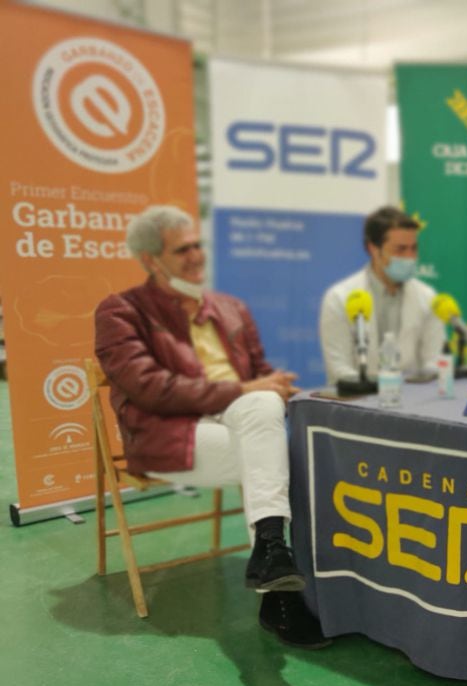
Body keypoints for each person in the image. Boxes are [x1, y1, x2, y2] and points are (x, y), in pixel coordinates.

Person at [94, 205, 329, 649]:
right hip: (171, 434)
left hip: (242, 422)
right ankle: (279, 593)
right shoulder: (120, 312)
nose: (197, 255)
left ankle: (270, 553)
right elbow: (150, 388)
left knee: (265, 420)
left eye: (198, 244)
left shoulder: (231, 308)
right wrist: (247, 389)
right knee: (269, 454)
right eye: (182, 249)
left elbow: (259, 375)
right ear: (149, 259)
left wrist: (276, 390)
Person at [320, 206, 445, 386]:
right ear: (373, 249)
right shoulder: (339, 297)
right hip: (356, 404)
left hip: (414, 403)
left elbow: (435, 361)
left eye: (413, 248)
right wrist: (380, 390)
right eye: (400, 249)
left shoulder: (427, 297)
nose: (410, 257)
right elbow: (338, 369)